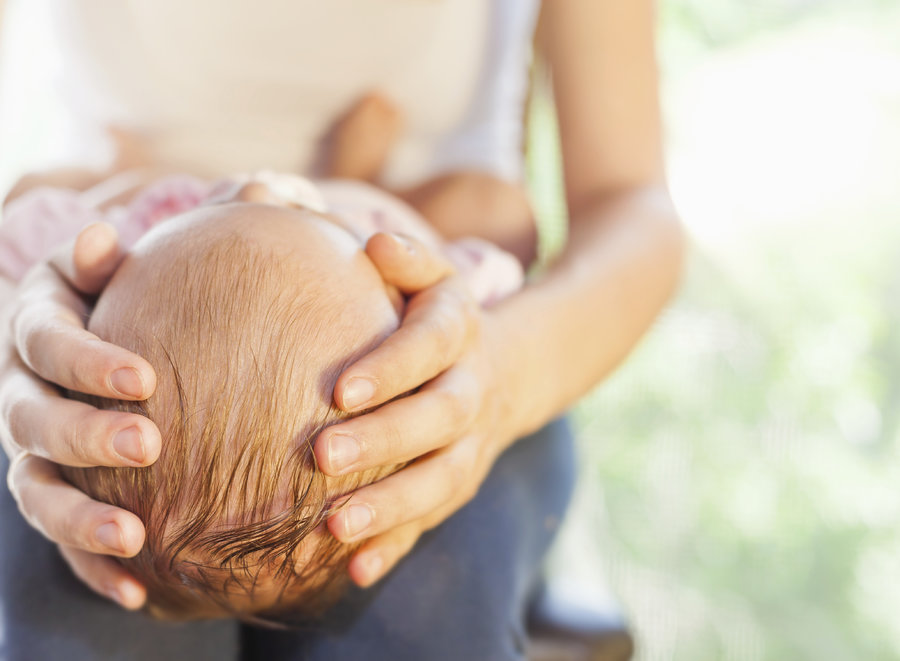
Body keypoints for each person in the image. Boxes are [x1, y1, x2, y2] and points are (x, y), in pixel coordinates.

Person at [0, 1, 684, 659]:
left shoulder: (106, 225)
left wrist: (497, 370)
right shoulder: (406, 240)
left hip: (137, 231)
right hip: (368, 251)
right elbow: (498, 227)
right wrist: (20, 339)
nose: (263, 184)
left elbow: (629, 201)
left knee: (411, 628)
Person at [1, 169, 524, 622]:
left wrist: (20, 319)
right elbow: (498, 281)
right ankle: (355, 170)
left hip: (156, 168)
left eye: (229, 206)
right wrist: (452, 295)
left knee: (42, 182)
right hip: (377, 205)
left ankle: (129, 159)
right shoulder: (397, 263)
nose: (259, 183)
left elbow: (16, 234)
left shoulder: (114, 234)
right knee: (494, 205)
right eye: (309, 217)